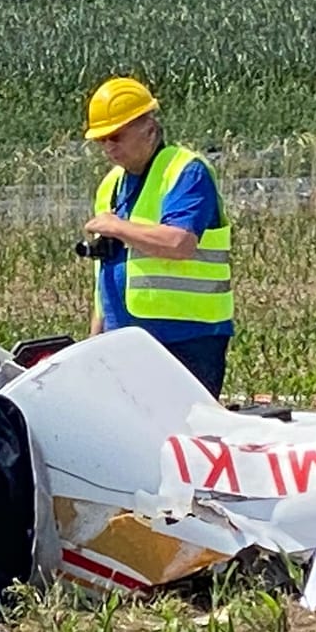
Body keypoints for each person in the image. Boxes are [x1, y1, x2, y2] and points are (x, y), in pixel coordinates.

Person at [81, 76, 234, 397]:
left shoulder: (185, 171)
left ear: (148, 129)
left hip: (186, 338)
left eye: (116, 136)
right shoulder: (110, 186)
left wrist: (118, 227)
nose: (109, 147)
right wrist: (94, 339)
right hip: (124, 338)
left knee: (184, 435)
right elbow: (105, 273)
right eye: (101, 140)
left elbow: (180, 243)